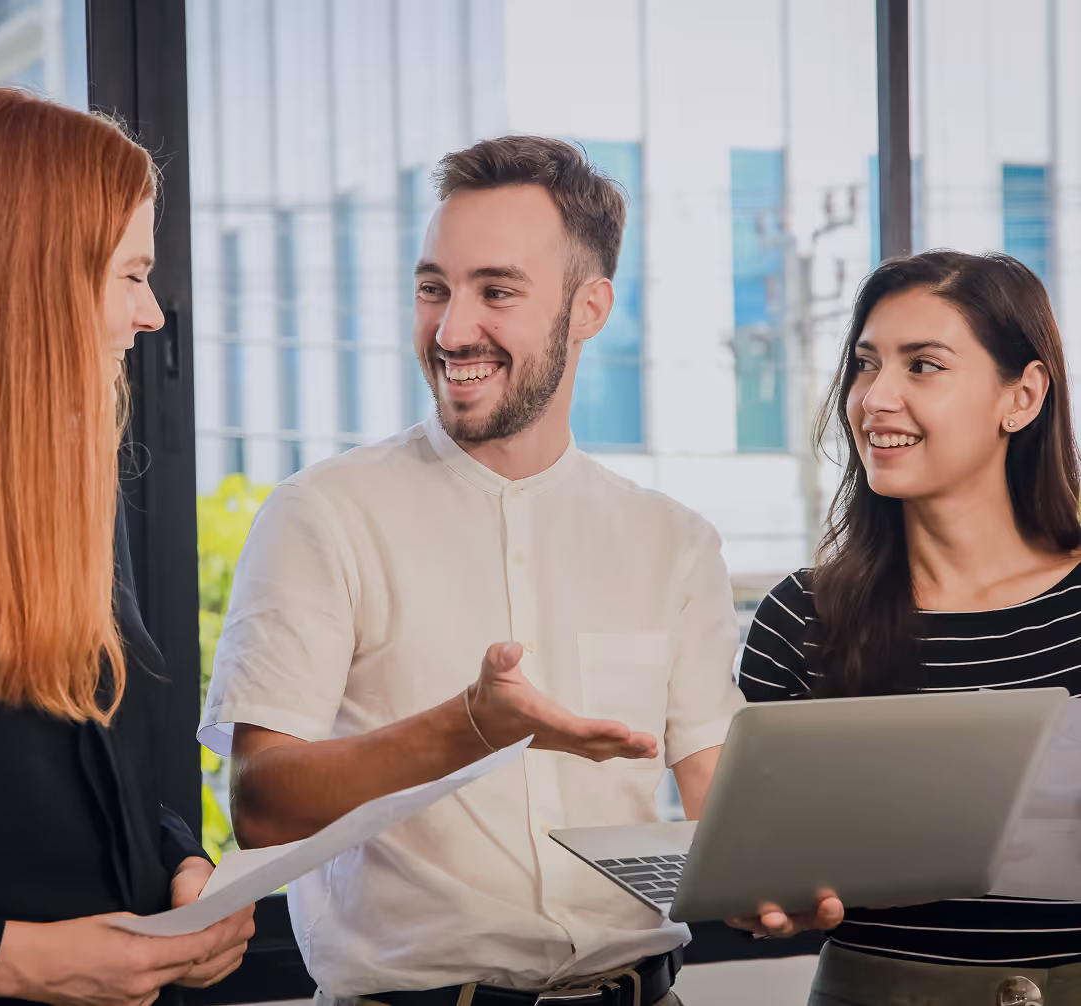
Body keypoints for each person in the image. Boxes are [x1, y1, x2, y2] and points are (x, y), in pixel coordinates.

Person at [201, 135, 837, 1006]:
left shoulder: (673, 541)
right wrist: (470, 725)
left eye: (495, 291)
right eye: (434, 289)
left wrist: (784, 882)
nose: (453, 329)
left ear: (590, 307)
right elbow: (262, 802)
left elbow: (717, 801)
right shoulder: (321, 514)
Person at [0, 89, 254, 1005]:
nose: (153, 314)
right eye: (130, 275)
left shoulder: (70, 508)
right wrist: (15, 963)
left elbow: (91, 780)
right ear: (27, 282)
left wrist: (182, 868)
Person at [736, 250, 1081, 1004]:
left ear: (1020, 397)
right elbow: (754, 864)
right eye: (866, 365)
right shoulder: (802, 616)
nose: (875, 398)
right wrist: (761, 895)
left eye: (923, 366)